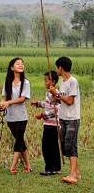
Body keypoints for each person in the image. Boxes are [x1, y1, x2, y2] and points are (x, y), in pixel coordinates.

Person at [49, 56, 81, 184]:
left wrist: (57, 94)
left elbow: (69, 101)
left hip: (72, 118)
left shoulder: (73, 82)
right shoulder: (61, 83)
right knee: (64, 145)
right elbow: (62, 100)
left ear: (60, 68)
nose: (56, 70)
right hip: (62, 117)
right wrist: (55, 99)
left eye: (57, 67)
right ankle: (76, 171)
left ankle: (72, 175)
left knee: (70, 145)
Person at [0, 57, 31, 173]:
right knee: (20, 140)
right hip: (10, 117)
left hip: (21, 117)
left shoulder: (26, 83)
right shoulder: (7, 82)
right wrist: (2, 105)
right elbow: (4, 98)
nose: (21, 65)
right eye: (18, 64)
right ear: (12, 68)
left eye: (22, 64)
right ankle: (28, 165)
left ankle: (13, 166)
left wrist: (8, 103)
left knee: (18, 142)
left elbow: (22, 99)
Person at [31, 71, 61, 176]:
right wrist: (38, 104)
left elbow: (55, 110)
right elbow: (48, 104)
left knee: (47, 146)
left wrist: (42, 115)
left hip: (51, 124)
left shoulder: (54, 93)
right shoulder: (52, 93)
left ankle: (49, 168)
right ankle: (57, 168)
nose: (45, 82)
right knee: (54, 146)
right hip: (53, 124)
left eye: (46, 80)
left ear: (53, 82)